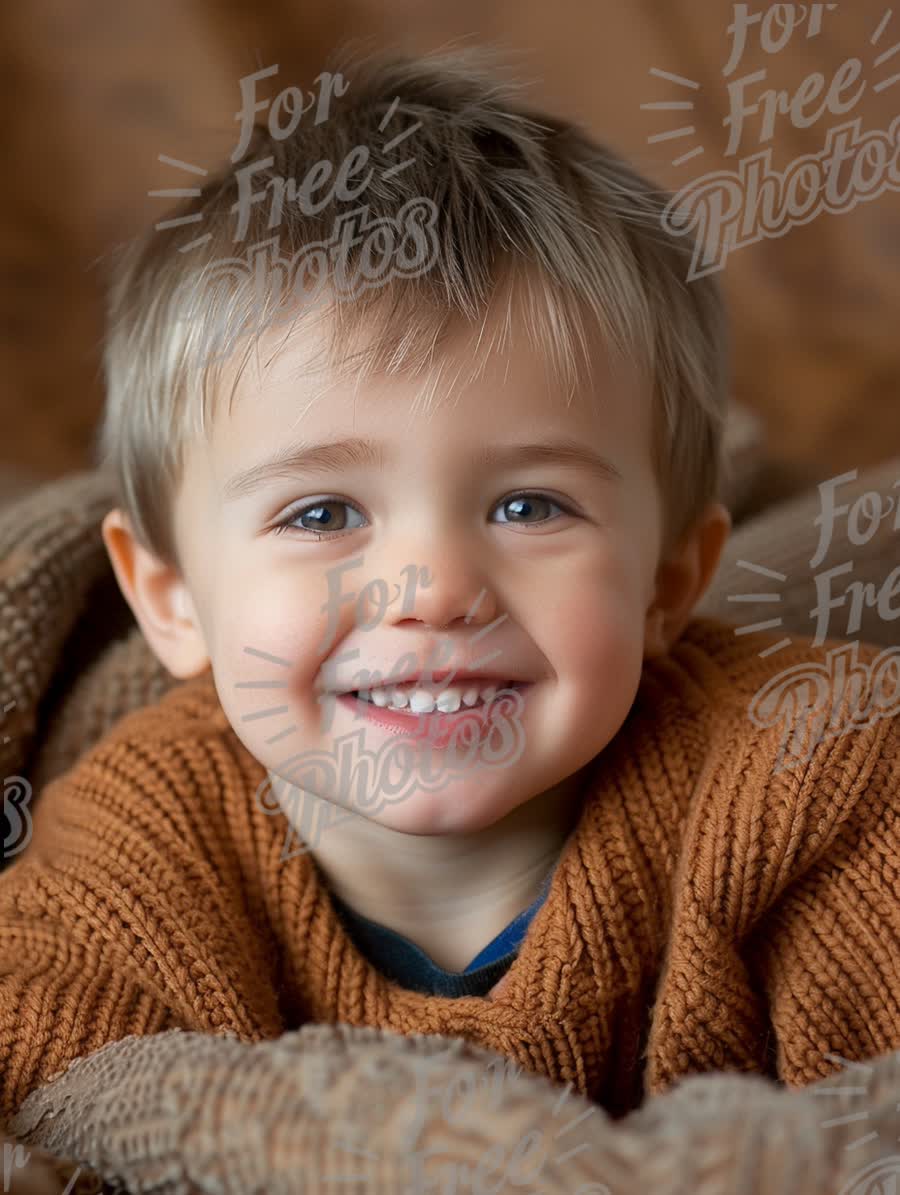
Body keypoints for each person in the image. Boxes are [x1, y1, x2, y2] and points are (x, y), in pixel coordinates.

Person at [2, 46, 899, 1149]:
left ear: (670, 579)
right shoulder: (139, 840)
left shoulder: (815, 773)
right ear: (171, 599)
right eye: (323, 514)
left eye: (529, 506)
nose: (433, 593)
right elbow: (62, 1078)